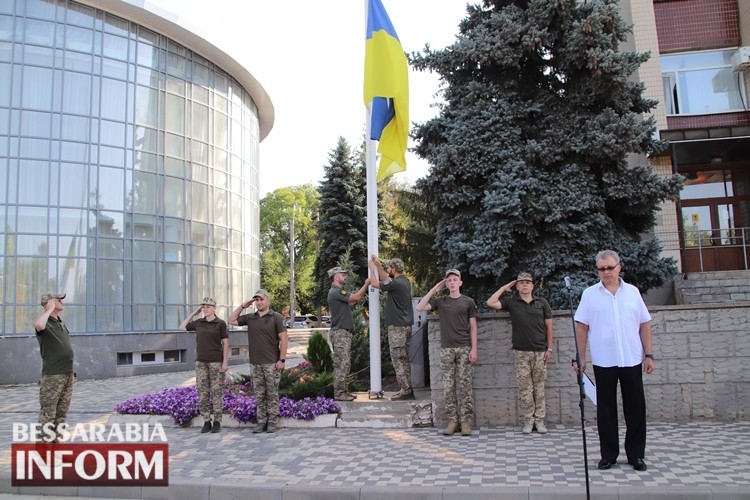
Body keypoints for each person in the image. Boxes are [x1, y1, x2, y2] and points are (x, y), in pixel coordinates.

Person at [573, 249, 655, 472]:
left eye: (610, 267)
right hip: (604, 360)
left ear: (619, 266)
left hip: (631, 359)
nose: (606, 272)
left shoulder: (633, 293)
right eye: (601, 268)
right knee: (606, 411)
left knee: (635, 409)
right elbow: (582, 327)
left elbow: (644, 324)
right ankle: (608, 455)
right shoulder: (590, 294)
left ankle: (636, 455)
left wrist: (648, 354)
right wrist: (580, 357)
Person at [487, 272, 553, 434]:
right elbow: (491, 302)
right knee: (525, 389)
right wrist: (504, 288)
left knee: (539, 388)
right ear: (517, 286)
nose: (524, 285)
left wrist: (549, 348)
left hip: (540, 351)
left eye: (527, 282)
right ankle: (528, 421)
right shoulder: (512, 303)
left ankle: (540, 421)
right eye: (521, 282)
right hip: (521, 353)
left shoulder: (542, 303)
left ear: (532, 285)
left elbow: (549, 327)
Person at [416, 269, 478, 436]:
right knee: (448, 387)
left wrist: (474, 349)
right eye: (448, 280)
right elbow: (420, 307)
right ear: (446, 283)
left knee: (465, 387)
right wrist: (433, 290)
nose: (451, 282)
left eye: (454, 279)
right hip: (447, 349)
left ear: (460, 282)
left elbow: (473, 327)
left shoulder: (468, 302)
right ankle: (453, 420)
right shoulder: (441, 301)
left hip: (464, 348)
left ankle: (466, 421)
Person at [229, 289, 288, 433]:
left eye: (261, 299)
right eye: (257, 300)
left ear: (268, 300)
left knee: (272, 393)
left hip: (271, 363)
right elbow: (231, 320)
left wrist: (282, 360)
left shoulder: (276, 317)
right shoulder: (250, 317)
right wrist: (243, 305)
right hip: (255, 363)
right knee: (259, 393)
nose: (259, 302)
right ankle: (261, 421)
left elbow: (284, 339)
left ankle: (272, 421)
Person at [179, 297, 228, 434]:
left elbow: (225, 343)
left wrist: (225, 362)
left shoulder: (220, 323)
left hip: (216, 361)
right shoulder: (198, 323)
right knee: (203, 392)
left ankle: (217, 421)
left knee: (217, 392)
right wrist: (193, 314)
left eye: (208, 306)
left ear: (214, 308)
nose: (205, 309)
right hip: (201, 362)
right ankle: (207, 420)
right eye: (203, 307)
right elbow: (182, 327)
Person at [370, 255, 415, 401]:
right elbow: (387, 280)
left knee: (398, 359)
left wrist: (372, 269)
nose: (388, 270)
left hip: (397, 328)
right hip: (405, 326)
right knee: (404, 358)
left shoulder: (396, 284)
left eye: (389, 268)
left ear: (394, 269)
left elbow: (376, 284)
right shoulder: (404, 281)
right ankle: (407, 389)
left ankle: (406, 390)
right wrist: (379, 266)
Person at [33, 292, 75, 443]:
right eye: (58, 300)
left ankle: (56, 448)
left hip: (67, 374)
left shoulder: (60, 322)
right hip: (53, 375)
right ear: (49, 303)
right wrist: (49, 310)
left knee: (61, 413)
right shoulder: (45, 323)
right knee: (48, 414)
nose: (62, 302)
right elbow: (38, 325)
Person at [326, 267, 370, 401]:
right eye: (342, 274)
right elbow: (356, 297)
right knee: (341, 365)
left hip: (343, 333)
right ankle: (339, 393)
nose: (345, 276)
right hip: (339, 333)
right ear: (335, 277)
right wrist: (367, 284)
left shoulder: (338, 291)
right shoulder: (335, 291)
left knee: (345, 364)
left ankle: (344, 391)